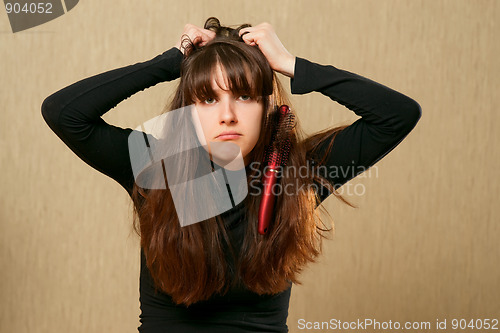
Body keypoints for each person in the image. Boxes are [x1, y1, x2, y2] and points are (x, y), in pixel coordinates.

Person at [41, 17, 421, 333]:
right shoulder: (154, 165)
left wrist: (290, 64)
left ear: (268, 106)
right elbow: (63, 112)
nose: (227, 114)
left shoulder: (298, 171)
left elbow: (398, 115)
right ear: (187, 111)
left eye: (243, 96)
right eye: (208, 99)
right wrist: (173, 62)